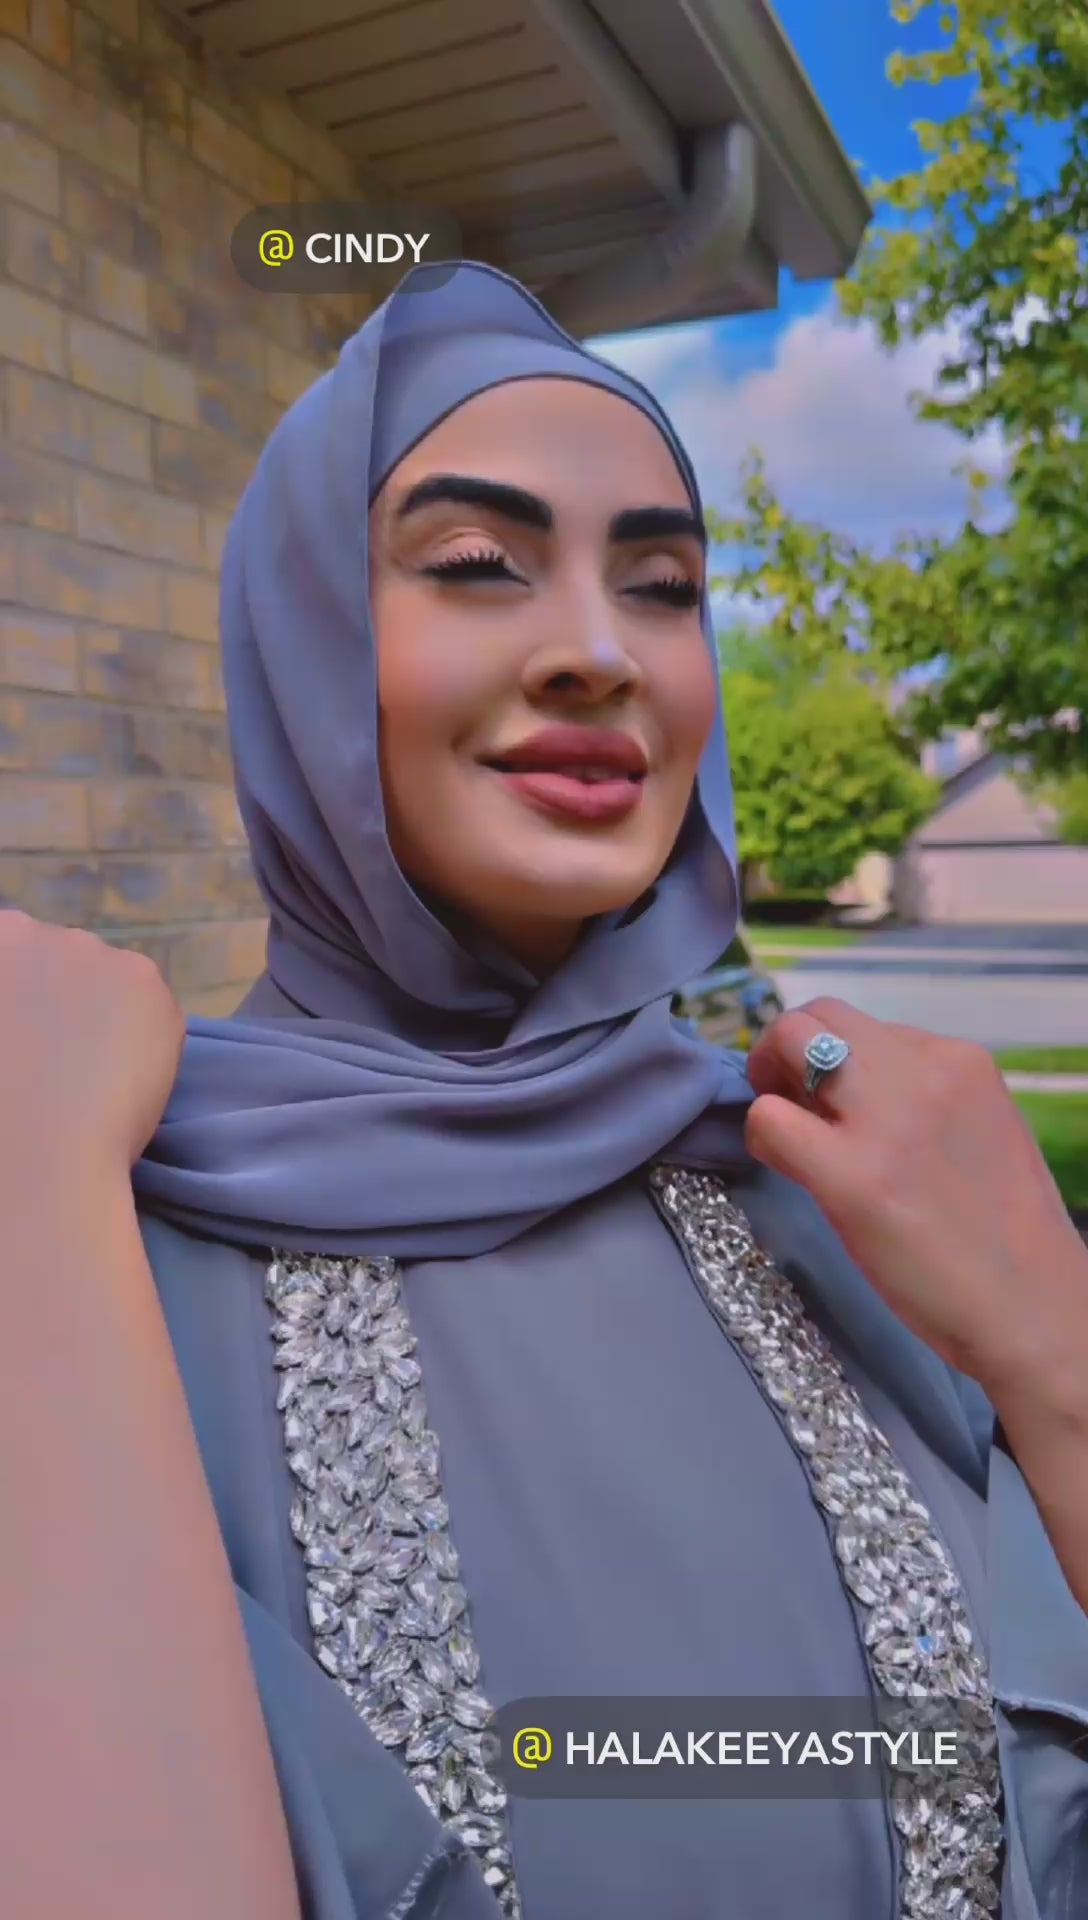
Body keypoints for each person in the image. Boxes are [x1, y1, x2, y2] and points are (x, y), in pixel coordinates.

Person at [4, 259, 1088, 1920]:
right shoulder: (106, 1261)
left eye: (662, 586)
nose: (597, 650)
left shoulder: (851, 1195)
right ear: (303, 643)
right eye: (476, 564)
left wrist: (1053, 1340)